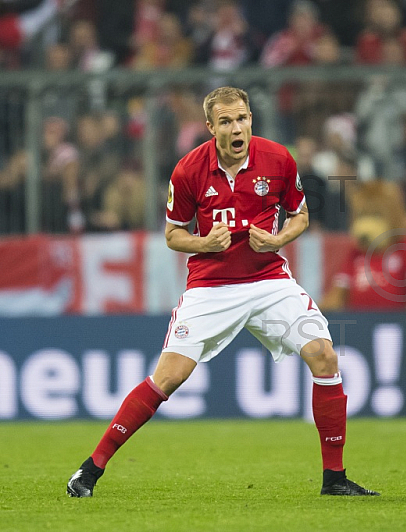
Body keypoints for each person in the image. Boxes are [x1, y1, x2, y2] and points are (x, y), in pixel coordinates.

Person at [66, 86, 378, 499]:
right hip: (211, 286)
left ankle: (334, 478)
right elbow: (173, 234)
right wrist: (205, 244)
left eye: (243, 118)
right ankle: (89, 470)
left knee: (324, 354)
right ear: (211, 127)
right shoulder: (188, 170)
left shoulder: (279, 159)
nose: (237, 128)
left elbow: (301, 214)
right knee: (169, 377)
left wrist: (278, 237)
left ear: (251, 120)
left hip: (269, 280)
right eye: (227, 121)